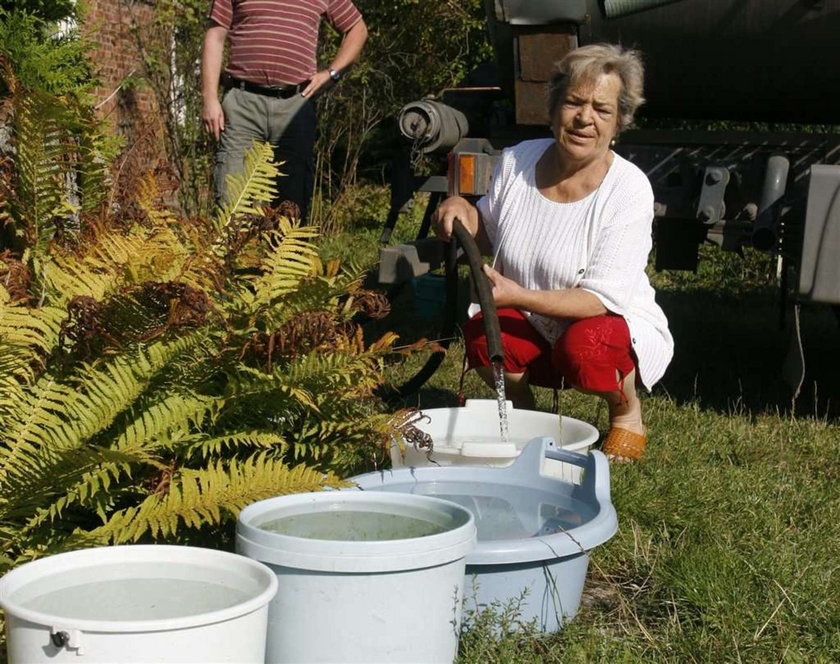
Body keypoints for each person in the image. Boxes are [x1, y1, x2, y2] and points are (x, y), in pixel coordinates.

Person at [432, 43, 673, 462]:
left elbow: (601, 299)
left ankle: (626, 414)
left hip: (602, 321)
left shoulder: (628, 188)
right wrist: (461, 209)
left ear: (619, 122)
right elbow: (488, 233)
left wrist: (515, 295)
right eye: (574, 102)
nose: (584, 118)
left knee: (587, 348)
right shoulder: (518, 161)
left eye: (601, 108)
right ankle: (526, 413)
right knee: (482, 337)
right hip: (528, 317)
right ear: (553, 109)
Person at [201, 0, 368, 220]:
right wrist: (209, 98)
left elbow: (357, 29)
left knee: (291, 210)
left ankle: (282, 255)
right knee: (231, 206)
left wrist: (332, 73)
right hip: (242, 106)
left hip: (296, 107)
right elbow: (215, 36)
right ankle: (232, 255)